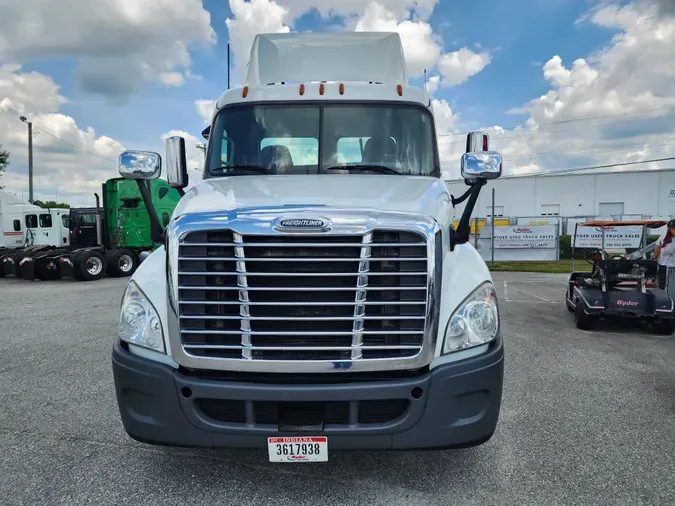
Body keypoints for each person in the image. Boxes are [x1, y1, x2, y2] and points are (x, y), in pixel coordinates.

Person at [653, 219, 675, 299]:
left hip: (673, 266)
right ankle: (663, 302)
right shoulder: (664, 236)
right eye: (671, 228)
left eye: (674, 228)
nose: (673, 230)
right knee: (662, 286)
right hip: (664, 266)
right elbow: (658, 248)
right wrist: (654, 258)